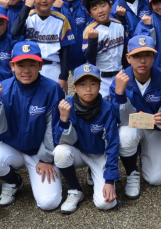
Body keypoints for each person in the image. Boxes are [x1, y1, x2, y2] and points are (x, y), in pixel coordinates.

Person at [0, 41, 65, 211]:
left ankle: (39, 169)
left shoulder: (52, 88)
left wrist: (46, 159)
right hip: (12, 148)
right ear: (12, 66)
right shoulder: (2, 89)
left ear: (40, 65)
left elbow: (53, 128)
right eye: (20, 65)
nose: (26, 70)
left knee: (49, 203)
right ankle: (14, 182)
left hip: (38, 152)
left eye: (32, 64)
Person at [110, 36, 161, 199]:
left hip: (156, 130)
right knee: (124, 136)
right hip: (132, 128)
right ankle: (132, 172)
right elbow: (117, 119)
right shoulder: (119, 80)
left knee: (156, 179)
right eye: (137, 56)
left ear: (154, 57)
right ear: (128, 58)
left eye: (147, 55)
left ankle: (160, 149)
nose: (142, 60)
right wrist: (119, 94)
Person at [54, 64, 119, 213]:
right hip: (78, 152)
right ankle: (75, 189)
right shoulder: (66, 106)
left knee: (106, 204)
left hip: (98, 155)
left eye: (93, 84)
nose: (88, 89)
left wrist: (109, 180)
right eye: (82, 84)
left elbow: (112, 144)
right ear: (74, 87)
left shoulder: (107, 108)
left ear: (99, 85)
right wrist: (64, 120)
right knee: (60, 152)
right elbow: (59, 141)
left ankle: (94, 172)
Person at [11, 0, 75, 93]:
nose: (43, 0)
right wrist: (26, 7)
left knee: (56, 104)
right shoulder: (28, 16)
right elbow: (14, 32)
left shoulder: (61, 19)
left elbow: (66, 50)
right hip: (31, 66)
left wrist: (64, 76)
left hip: (53, 67)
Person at [82, 0, 128, 99]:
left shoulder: (119, 25)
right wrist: (93, 41)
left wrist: (127, 72)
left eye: (103, 5)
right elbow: (89, 57)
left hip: (119, 74)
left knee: (121, 106)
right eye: (94, 8)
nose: (100, 11)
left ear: (110, 5)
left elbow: (124, 52)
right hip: (100, 77)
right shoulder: (89, 30)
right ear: (89, 13)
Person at [54, 0, 90, 72]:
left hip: (81, 57)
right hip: (60, 58)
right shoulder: (55, 7)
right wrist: (55, 9)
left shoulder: (84, 6)